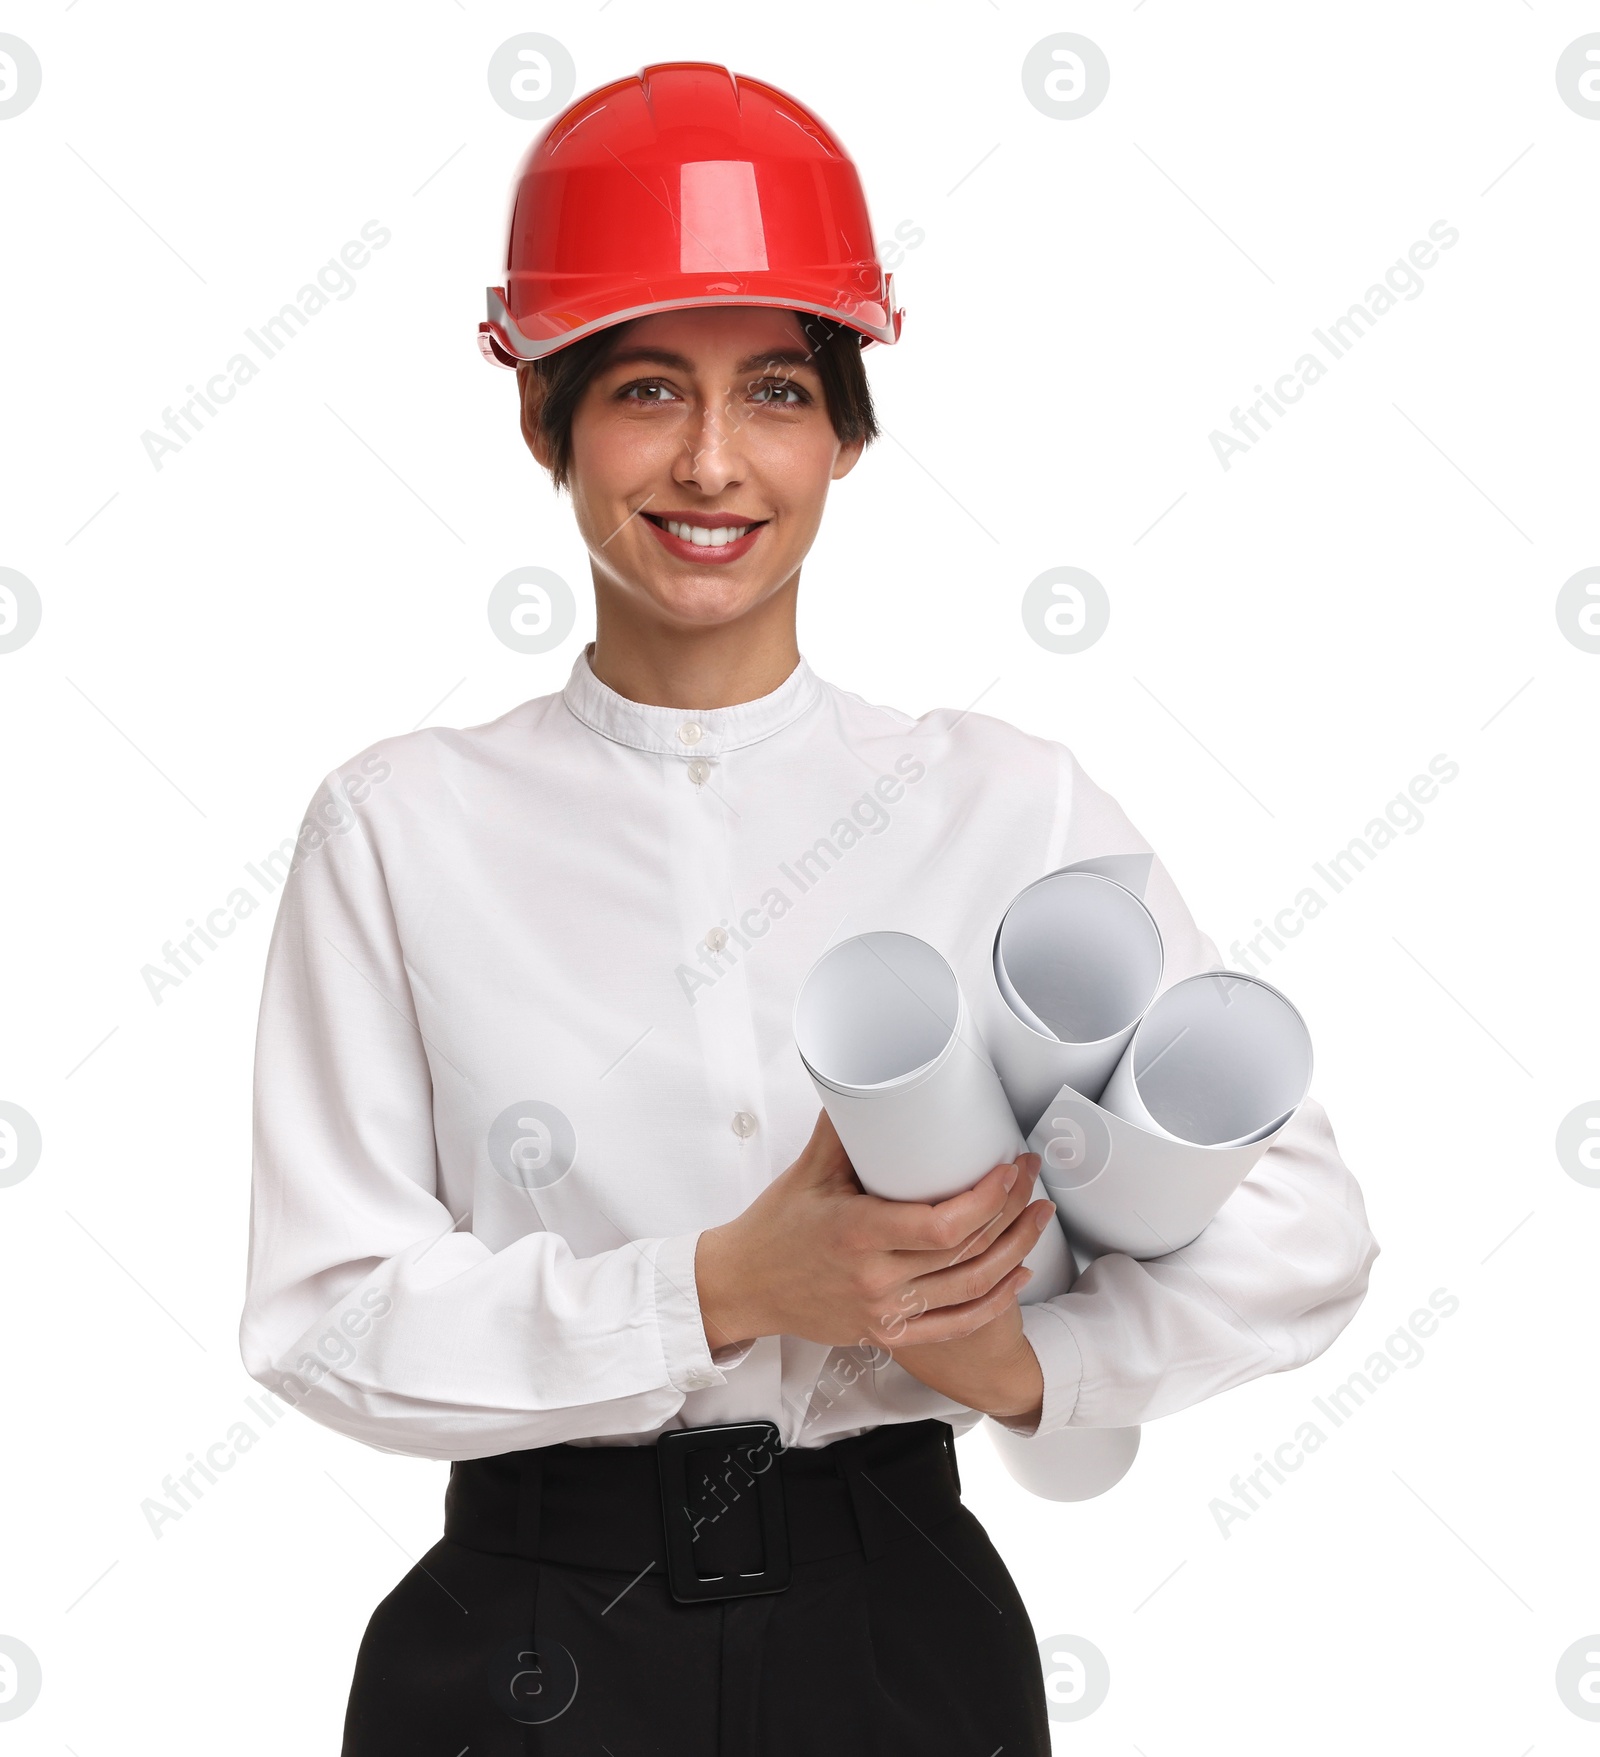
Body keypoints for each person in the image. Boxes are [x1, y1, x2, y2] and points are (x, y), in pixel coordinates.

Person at [239, 61, 1378, 1756]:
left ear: (848, 428)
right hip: (527, 1640)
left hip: (900, 1624)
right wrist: (721, 1285)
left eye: (776, 386)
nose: (712, 460)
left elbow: (1306, 1226)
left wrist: (1023, 1369)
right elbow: (326, 1316)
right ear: (543, 415)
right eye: (643, 388)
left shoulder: (1006, 802)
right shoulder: (400, 831)